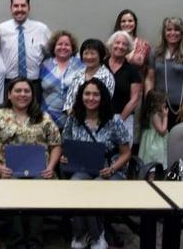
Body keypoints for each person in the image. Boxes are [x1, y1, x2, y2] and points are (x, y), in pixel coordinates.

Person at [0, 77, 61, 248]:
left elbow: (56, 145)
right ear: (9, 94)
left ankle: (34, 240)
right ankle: (16, 240)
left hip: (40, 171)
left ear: (32, 95)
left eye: (26, 91)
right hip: (6, 170)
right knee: (12, 187)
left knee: (40, 187)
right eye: (17, 91)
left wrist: (51, 167)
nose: (22, 94)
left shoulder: (43, 117)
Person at [62, 78, 131, 249]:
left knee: (94, 189)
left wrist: (113, 168)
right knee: (76, 185)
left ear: (102, 97)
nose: (90, 98)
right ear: (81, 96)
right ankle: (80, 235)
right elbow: (67, 146)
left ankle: (96, 236)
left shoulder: (114, 121)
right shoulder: (73, 119)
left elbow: (126, 153)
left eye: (95, 94)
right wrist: (65, 157)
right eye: (87, 94)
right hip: (84, 169)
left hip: (111, 170)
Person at [145, 17, 183, 131]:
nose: (172, 33)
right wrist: (149, 102)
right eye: (169, 30)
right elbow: (150, 79)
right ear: (164, 33)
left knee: (182, 145)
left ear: (182, 33)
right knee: (162, 145)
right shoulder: (155, 54)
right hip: (160, 108)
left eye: (176, 30)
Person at [0, 0, 51, 102]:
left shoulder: (41, 29)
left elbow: (53, 54)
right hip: (9, 83)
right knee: (9, 117)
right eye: (16, 6)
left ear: (29, 7)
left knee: (34, 116)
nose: (19, 9)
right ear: (11, 8)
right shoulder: (1, 30)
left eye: (23, 5)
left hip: (34, 84)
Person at [39, 30, 83, 129]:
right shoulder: (45, 64)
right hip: (47, 116)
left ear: (72, 48)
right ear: (54, 47)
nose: (63, 47)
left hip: (72, 116)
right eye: (60, 44)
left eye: (67, 45)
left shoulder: (80, 64)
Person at [105, 31, 142, 144]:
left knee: (121, 156)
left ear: (128, 48)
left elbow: (135, 99)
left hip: (123, 119)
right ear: (111, 45)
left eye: (124, 44)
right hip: (100, 118)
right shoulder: (101, 66)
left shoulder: (132, 71)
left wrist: (119, 120)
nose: (120, 46)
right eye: (117, 43)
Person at [63, 39, 115, 114]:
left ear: (101, 55)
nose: (89, 57)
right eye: (86, 53)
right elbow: (69, 100)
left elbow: (105, 103)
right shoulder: (78, 74)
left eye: (93, 53)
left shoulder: (107, 77)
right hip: (74, 119)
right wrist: (71, 112)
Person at [113, 9, 151, 76]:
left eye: (130, 21)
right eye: (123, 21)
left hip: (138, 83)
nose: (127, 24)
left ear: (135, 23)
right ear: (119, 24)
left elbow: (148, 70)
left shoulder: (144, 45)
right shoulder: (112, 44)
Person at [138, 89, 169, 168]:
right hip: (155, 142)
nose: (165, 104)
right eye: (162, 102)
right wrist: (165, 117)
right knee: (155, 160)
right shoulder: (155, 115)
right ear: (154, 103)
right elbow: (162, 131)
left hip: (152, 138)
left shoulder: (153, 113)